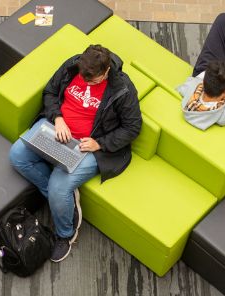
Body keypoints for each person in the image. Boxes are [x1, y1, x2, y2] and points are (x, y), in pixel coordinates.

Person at [9, 45, 142, 263]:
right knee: (17, 155)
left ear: (106, 71)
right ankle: (59, 199)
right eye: (85, 79)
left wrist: (99, 143)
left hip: (89, 146)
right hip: (56, 129)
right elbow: (50, 91)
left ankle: (66, 234)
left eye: (94, 82)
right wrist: (58, 118)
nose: (88, 85)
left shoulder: (123, 88)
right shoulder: (73, 65)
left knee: (59, 185)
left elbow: (132, 128)